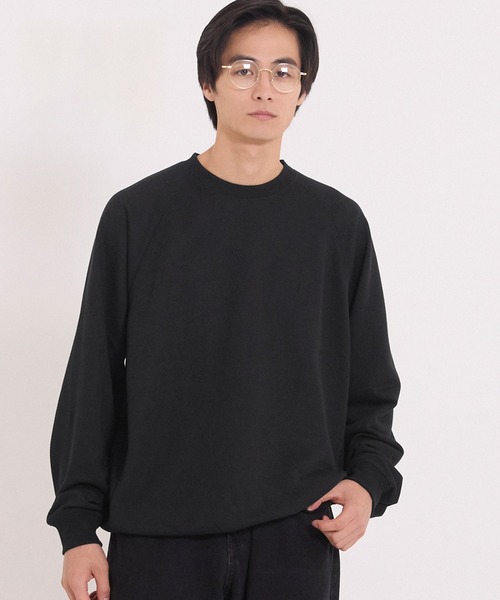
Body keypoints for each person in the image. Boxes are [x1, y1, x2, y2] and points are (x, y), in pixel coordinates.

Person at [47, 1, 404, 598]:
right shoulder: (138, 215)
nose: (264, 88)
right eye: (243, 69)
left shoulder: (336, 225)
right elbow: (93, 378)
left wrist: (368, 480)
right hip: (159, 535)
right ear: (208, 83)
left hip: (297, 532)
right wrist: (78, 528)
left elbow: (369, 383)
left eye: (283, 72)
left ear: (302, 90)